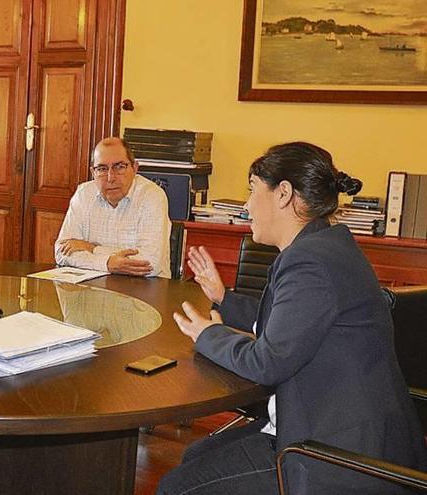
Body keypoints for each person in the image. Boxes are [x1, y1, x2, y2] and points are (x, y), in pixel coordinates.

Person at [159, 142, 427, 494]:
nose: (246, 205)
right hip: (338, 426)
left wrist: (208, 334)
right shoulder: (326, 246)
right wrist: (223, 298)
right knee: (196, 456)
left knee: (176, 487)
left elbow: (267, 362)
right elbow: (293, 323)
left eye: (252, 190)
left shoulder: (310, 262)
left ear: (283, 193)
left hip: (336, 453)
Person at [54, 137, 171, 278]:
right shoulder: (84, 194)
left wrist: (93, 249)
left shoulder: (152, 196)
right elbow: (62, 252)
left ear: (135, 168)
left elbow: (150, 264)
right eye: (102, 169)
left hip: (144, 291)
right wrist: (108, 263)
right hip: (94, 289)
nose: (110, 177)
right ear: (93, 172)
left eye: (119, 167)